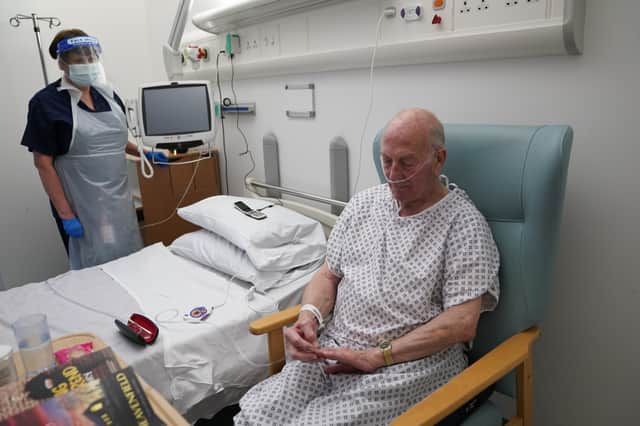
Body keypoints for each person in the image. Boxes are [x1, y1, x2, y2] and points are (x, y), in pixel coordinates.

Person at [234, 108, 500, 425]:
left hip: (408, 366)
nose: (392, 173)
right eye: (386, 160)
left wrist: (377, 356)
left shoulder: (463, 225)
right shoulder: (364, 204)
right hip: (334, 348)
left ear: (438, 159)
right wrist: (309, 316)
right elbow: (328, 274)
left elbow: (460, 324)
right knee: (258, 415)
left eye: (406, 162)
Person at [20, 29, 167, 269]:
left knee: (128, 256)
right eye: (79, 60)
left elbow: (111, 140)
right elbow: (43, 163)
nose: (87, 64)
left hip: (117, 200)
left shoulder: (107, 95)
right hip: (79, 204)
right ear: (63, 63)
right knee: (93, 265)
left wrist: (143, 153)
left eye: (90, 58)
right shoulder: (46, 103)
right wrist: (66, 215)